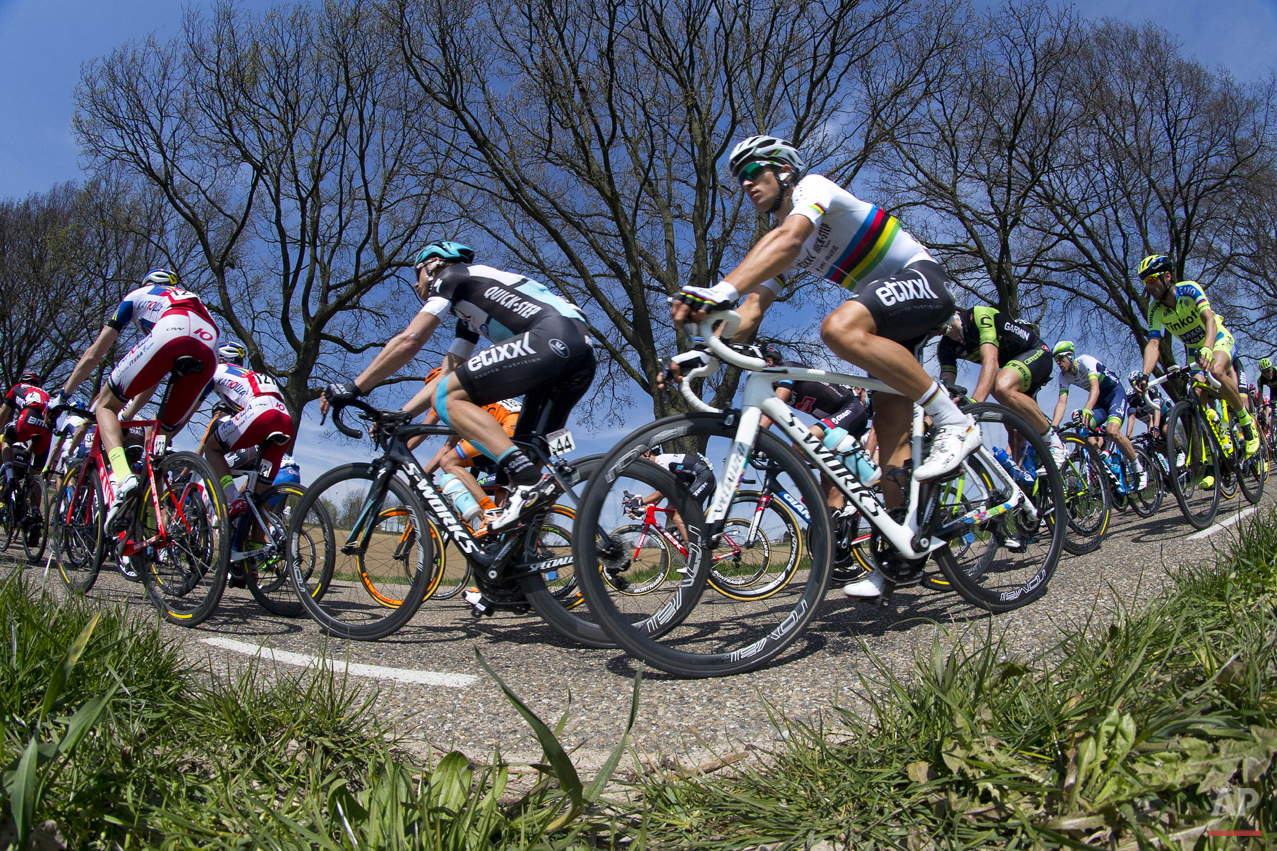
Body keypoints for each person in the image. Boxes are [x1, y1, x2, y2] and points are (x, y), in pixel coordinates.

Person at [668, 135, 978, 500]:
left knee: (838, 328)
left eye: (752, 171)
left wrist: (719, 292)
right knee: (890, 432)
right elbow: (752, 308)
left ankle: (955, 422)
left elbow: (792, 238)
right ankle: (904, 544)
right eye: (740, 179)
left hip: (923, 278)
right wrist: (708, 352)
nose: (746, 183)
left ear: (784, 170)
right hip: (892, 321)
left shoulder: (812, 189)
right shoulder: (779, 241)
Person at [321, 241, 596, 533]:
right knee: (520, 481)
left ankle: (528, 480)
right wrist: (404, 414)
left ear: (434, 264)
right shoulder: (469, 312)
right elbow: (448, 371)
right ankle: (516, 567)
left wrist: (354, 387)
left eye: (418, 275)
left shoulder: (450, 279)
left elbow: (411, 339)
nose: (416, 285)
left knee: (451, 398)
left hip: (551, 336)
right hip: (579, 355)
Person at [55, 269, 219, 532]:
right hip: (210, 345)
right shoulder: (191, 297)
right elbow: (151, 380)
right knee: (160, 437)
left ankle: (122, 479)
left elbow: (93, 354)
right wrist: (130, 414)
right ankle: (154, 515)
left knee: (105, 405)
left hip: (171, 331)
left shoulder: (137, 296)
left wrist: (63, 395)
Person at [1134, 255, 1257, 457]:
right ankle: (1216, 454)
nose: (1148, 286)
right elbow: (1154, 344)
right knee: (1195, 394)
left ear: (1166, 276)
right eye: (1144, 282)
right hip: (1194, 349)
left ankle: (1246, 421)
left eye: (1150, 279)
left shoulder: (1189, 289)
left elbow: (1209, 319)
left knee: (1216, 371)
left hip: (1215, 337)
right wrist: (1145, 375)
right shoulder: (1155, 309)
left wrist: (1208, 348)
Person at [936, 306, 1065, 467]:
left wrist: (974, 404)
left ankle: (1055, 443)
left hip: (1036, 353)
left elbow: (991, 362)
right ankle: (1023, 486)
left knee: (1001, 386)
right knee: (1015, 435)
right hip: (1014, 369)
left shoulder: (977, 316)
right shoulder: (945, 347)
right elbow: (945, 389)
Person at [405, 367, 523, 518]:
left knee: (449, 462)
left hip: (507, 426)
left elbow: (426, 430)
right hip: (524, 425)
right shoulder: (470, 392)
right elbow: (449, 445)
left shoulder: (446, 395)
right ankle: (505, 533)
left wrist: (399, 453)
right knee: (503, 500)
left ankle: (488, 514)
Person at [199, 342, 295, 518]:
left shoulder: (216, 370)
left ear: (219, 359)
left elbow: (191, 405)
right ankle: (260, 542)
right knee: (259, 504)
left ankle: (232, 496)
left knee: (212, 448)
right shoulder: (250, 375)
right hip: (285, 418)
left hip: (260, 411)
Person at [1050, 342, 1147, 490]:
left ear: (1070, 356)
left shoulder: (1085, 361)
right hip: (1100, 402)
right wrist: (1054, 427)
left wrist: (1088, 408)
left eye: (1060, 358)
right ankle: (1102, 467)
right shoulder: (1064, 377)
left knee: (1112, 431)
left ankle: (1138, 469)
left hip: (1114, 393)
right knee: (1085, 427)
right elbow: (1062, 402)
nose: (1058, 363)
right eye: (1056, 360)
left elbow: (1095, 388)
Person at [624, 447, 716, 545]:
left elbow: (663, 491)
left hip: (704, 477)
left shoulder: (661, 462)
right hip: (697, 479)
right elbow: (660, 493)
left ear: (647, 453)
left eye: (638, 457)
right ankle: (694, 537)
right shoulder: (659, 465)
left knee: (678, 517)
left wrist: (640, 502)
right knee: (670, 510)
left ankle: (697, 555)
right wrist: (642, 509)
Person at [0, 371, 52, 494]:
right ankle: (35, 511)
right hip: (46, 427)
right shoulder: (46, 394)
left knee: (5, 440)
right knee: (35, 475)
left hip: (28, 417)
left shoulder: (17, 388)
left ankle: (10, 477)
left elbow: (3, 414)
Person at [1125, 369, 1167, 439]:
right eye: (1132, 383)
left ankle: (1178, 449)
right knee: (1156, 445)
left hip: (1164, 414)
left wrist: (1156, 426)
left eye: (1135, 382)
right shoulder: (1134, 398)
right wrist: (1128, 436)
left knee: (1165, 431)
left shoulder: (1151, 389)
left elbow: (1157, 409)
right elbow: (1132, 418)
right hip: (1155, 419)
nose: (1134, 385)